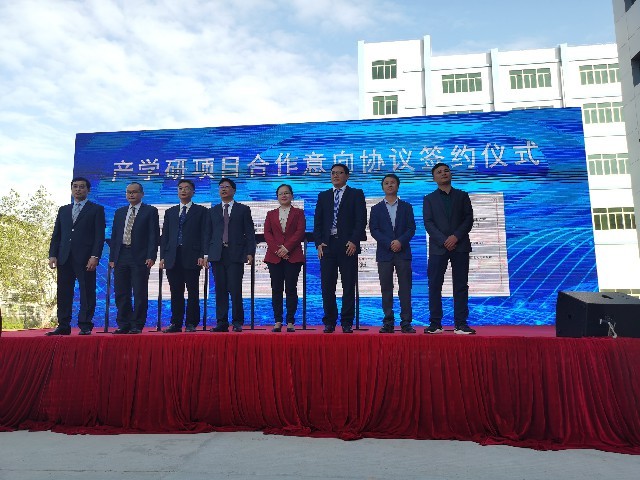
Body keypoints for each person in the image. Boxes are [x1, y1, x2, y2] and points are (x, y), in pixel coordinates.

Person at [47, 177, 105, 335]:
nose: (78, 189)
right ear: (71, 189)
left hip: (86, 258)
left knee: (87, 291)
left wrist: (95, 256)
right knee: (64, 292)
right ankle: (63, 325)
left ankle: (85, 325)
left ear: (88, 190)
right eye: (75, 186)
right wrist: (52, 255)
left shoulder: (96, 209)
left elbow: (99, 236)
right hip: (64, 257)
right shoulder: (64, 210)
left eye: (82, 187)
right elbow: (57, 234)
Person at [313, 163, 367, 333]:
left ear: (347, 176)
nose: (335, 176)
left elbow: (361, 220)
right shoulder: (323, 196)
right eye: (333, 173)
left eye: (339, 173)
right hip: (327, 246)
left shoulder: (356, 194)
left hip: (348, 245)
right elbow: (318, 222)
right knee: (327, 286)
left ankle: (347, 322)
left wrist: (354, 241)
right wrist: (318, 243)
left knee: (348, 285)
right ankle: (329, 321)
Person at [423, 163, 476, 335]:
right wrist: (444, 240)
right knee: (434, 285)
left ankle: (461, 324)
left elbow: (468, 219)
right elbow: (428, 223)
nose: (443, 173)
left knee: (460, 285)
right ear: (434, 178)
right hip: (438, 248)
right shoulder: (429, 199)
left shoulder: (462, 195)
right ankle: (435, 323)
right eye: (439, 172)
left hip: (460, 246)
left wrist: (455, 237)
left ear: (451, 174)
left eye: (446, 171)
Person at [109, 182, 160, 334]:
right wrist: (112, 257)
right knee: (121, 292)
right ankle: (123, 324)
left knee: (139, 292)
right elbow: (114, 236)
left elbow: (153, 235)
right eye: (129, 192)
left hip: (140, 256)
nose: (131, 194)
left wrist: (151, 255)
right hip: (121, 255)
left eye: (135, 192)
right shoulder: (120, 212)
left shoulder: (150, 211)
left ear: (142, 194)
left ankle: (137, 324)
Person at [206, 178, 256, 333]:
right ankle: (221, 322)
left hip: (236, 253)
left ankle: (237, 321)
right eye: (221, 187)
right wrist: (206, 254)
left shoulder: (243, 209)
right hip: (217, 254)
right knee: (220, 289)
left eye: (227, 187)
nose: (223, 189)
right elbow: (207, 234)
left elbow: (249, 233)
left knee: (235, 289)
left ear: (234, 190)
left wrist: (250, 252)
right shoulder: (213, 211)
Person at [159, 179, 208, 333]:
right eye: (180, 188)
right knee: (175, 292)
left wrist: (203, 254)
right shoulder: (170, 212)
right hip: (172, 257)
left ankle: (191, 323)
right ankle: (176, 323)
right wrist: (163, 256)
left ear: (193, 192)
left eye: (187, 188)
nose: (183, 191)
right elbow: (165, 236)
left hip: (193, 256)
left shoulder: (201, 211)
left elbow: (204, 235)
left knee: (193, 291)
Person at [369, 174, 416, 334]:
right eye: (386, 183)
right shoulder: (376, 209)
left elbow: (411, 228)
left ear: (398, 186)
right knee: (386, 288)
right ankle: (388, 322)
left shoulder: (406, 207)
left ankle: (406, 322)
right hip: (385, 253)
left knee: (405, 288)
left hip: (403, 252)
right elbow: (374, 230)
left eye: (393, 183)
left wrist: (400, 241)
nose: (390, 185)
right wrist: (389, 243)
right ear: (383, 187)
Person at [263, 184, 305, 332]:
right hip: (274, 257)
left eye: (286, 193)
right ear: (277, 197)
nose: (284, 195)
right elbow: (267, 233)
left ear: (292, 195)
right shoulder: (271, 214)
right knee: (276, 289)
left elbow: (300, 232)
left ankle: (291, 321)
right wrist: (278, 250)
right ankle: (278, 320)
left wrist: (286, 248)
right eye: (281, 193)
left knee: (291, 289)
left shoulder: (299, 213)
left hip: (293, 255)